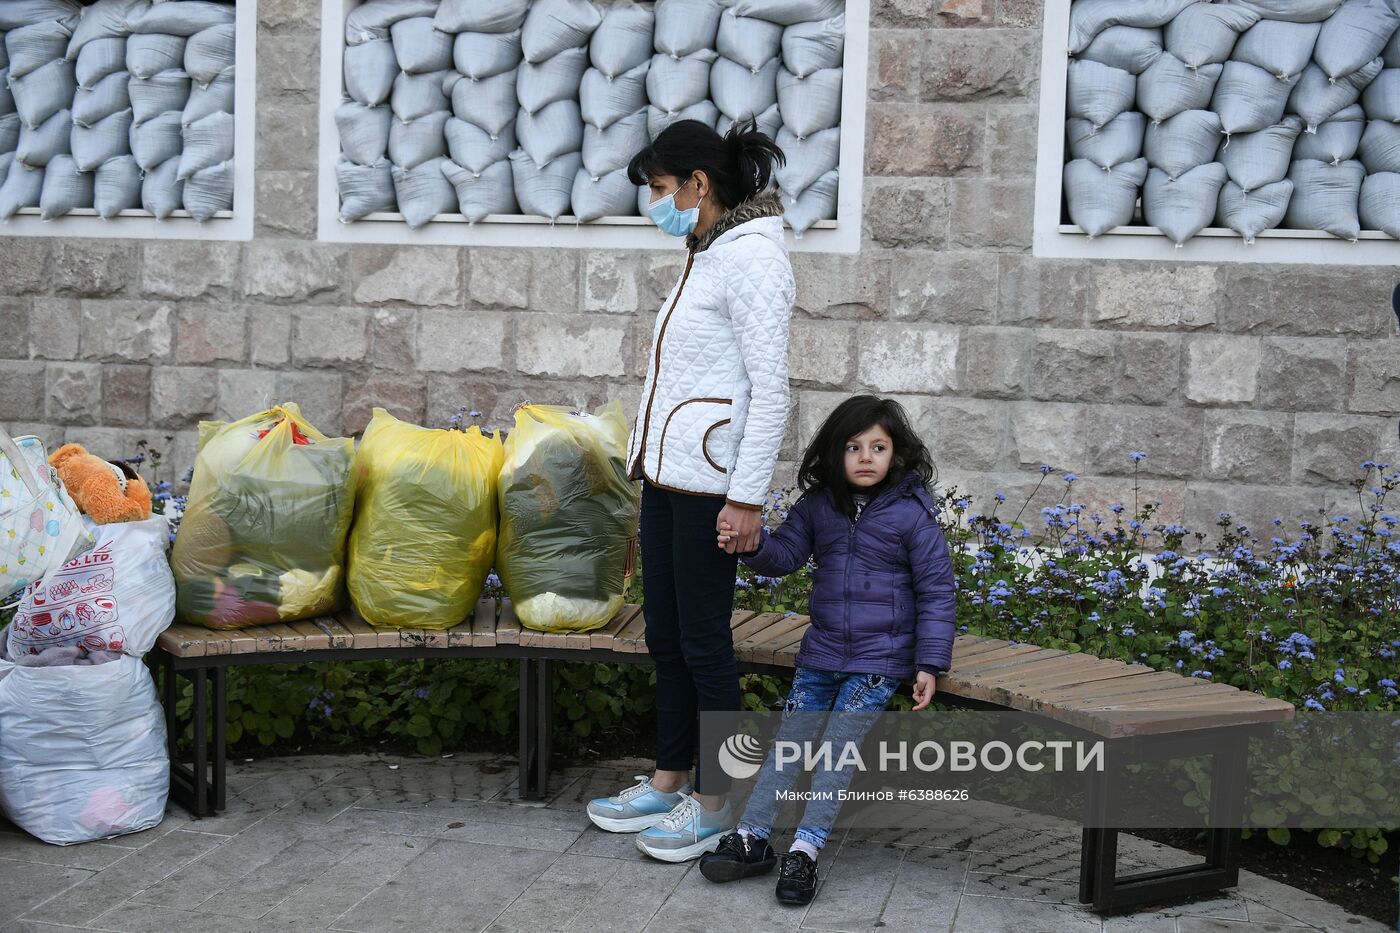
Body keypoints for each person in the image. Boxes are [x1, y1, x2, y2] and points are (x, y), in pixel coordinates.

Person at [584, 118, 796, 864]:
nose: (656, 203)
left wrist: (746, 499)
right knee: (667, 637)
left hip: (714, 488)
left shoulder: (754, 259)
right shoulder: (706, 252)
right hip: (670, 479)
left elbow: (771, 391)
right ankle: (672, 777)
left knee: (707, 645)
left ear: (699, 185)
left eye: (661, 189)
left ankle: (716, 802)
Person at [701, 395, 957, 906]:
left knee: (835, 756)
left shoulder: (911, 515)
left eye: (878, 447)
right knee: (788, 745)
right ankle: (752, 837)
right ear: (834, 454)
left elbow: (936, 589)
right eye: (854, 447)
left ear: (896, 454)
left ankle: (805, 849)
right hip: (821, 655)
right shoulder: (819, 506)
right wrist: (748, 544)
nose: (866, 457)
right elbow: (786, 554)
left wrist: (929, 662)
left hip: (878, 663)